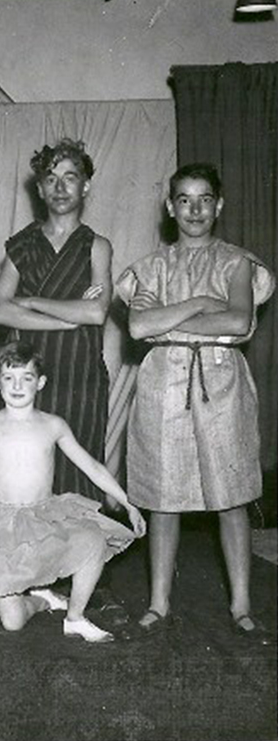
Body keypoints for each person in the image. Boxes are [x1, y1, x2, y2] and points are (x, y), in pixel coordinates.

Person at [116, 163, 274, 642]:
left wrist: (173, 322)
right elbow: (140, 328)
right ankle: (159, 603)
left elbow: (241, 320)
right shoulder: (150, 266)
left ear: (219, 205)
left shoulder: (238, 262)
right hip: (163, 382)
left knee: (232, 498)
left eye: (205, 199)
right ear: (170, 207)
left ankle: (242, 605)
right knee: (164, 499)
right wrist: (203, 304)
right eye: (184, 199)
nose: (195, 209)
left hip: (222, 383)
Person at [0, 342, 145, 642]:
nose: (17, 385)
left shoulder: (53, 425)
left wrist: (129, 504)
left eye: (26, 377)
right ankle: (41, 600)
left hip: (45, 518)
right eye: (9, 378)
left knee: (92, 539)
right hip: (3, 527)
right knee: (12, 623)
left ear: (40, 383)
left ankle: (75, 616)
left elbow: (92, 466)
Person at [0, 138, 112, 504]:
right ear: (40, 188)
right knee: (26, 473)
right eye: (51, 178)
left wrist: (29, 301)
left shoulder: (97, 246)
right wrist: (65, 318)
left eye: (70, 177)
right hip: (26, 375)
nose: (60, 187)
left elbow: (95, 312)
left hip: (81, 375)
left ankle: (81, 562)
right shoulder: (22, 245)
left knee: (81, 475)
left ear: (85, 185)